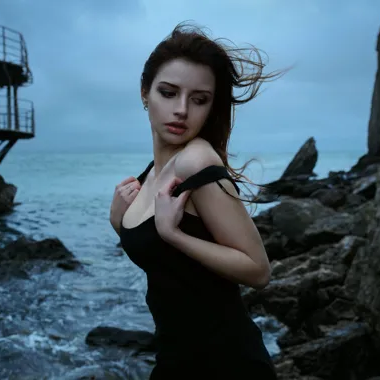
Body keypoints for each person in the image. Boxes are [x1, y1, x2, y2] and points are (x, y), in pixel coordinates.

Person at [109, 22, 282, 379]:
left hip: (226, 363)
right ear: (145, 93)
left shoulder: (195, 162)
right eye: (168, 93)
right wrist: (119, 223)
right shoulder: (151, 174)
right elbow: (169, 270)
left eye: (199, 99)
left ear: (211, 106)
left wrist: (176, 236)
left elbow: (258, 270)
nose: (182, 110)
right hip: (176, 359)